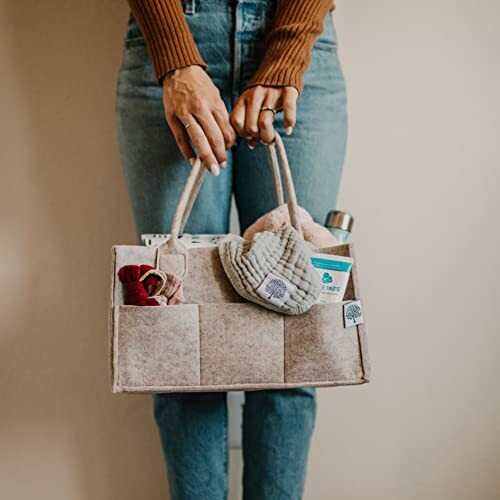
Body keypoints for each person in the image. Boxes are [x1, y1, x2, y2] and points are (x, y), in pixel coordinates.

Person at [116, 0, 347, 498]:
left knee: (295, 345)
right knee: (177, 346)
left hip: (298, 39)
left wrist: (287, 49)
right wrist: (175, 57)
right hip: (174, 32)